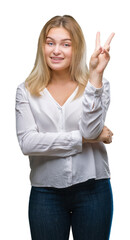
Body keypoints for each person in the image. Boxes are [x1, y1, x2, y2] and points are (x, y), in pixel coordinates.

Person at [15, 15, 115, 240]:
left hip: (93, 190)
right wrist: (82, 140)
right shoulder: (26, 91)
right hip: (45, 193)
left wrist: (95, 76)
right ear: (42, 46)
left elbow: (90, 130)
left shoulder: (97, 85)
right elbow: (28, 143)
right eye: (50, 43)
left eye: (65, 44)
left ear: (76, 48)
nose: (56, 50)